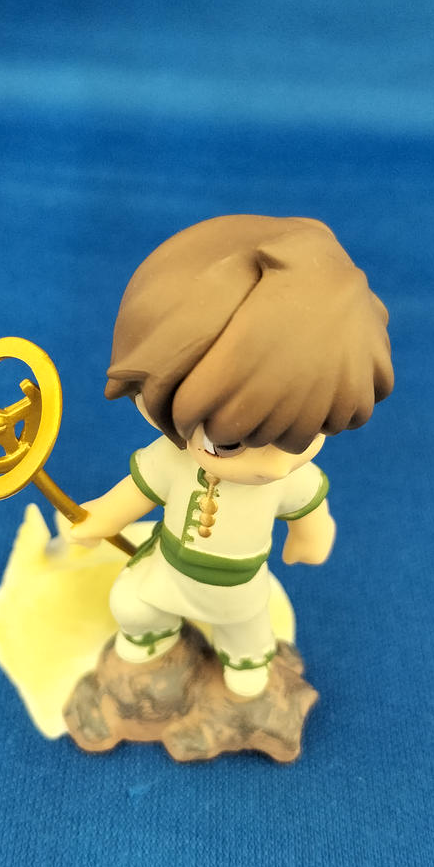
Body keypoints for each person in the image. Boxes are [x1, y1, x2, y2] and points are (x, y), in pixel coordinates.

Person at [70, 214, 393, 700]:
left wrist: (311, 534)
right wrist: (99, 518)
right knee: (134, 605)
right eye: (228, 444)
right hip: (169, 570)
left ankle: (245, 663)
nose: (272, 466)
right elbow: (136, 493)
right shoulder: (174, 460)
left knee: (246, 633)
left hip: (239, 588)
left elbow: (310, 511)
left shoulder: (289, 479)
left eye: (302, 438)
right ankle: (152, 638)